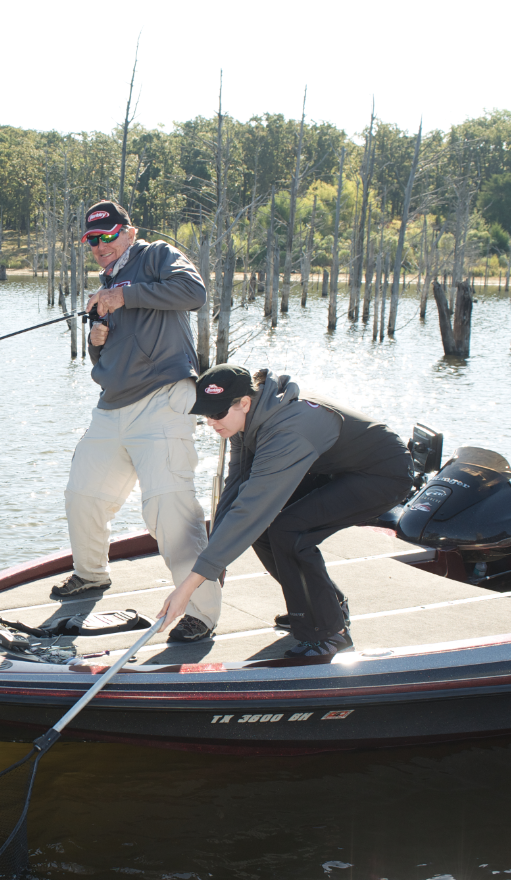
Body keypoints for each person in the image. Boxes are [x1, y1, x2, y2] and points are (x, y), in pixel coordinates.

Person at [51, 200, 222, 644]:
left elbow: (194, 293)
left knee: (168, 507)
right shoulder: (105, 284)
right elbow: (103, 362)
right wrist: (96, 340)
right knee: (83, 494)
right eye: (91, 240)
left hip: (163, 399)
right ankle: (90, 576)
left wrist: (124, 295)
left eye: (108, 235)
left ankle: (200, 614)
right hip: (112, 406)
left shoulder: (156, 256)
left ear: (129, 231)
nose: (100, 246)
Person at [156, 364, 412, 656]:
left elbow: (252, 509)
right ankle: (321, 604)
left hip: (383, 474)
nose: (211, 422)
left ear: (244, 403)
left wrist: (188, 586)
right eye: (205, 414)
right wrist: (217, 557)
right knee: (269, 528)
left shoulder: (286, 429)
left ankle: (331, 632)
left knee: (290, 530)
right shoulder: (245, 422)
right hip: (335, 467)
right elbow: (237, 488)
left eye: (216, 413)